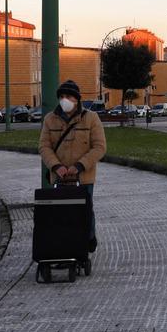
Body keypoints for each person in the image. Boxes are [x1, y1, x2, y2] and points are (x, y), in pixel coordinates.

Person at [38, 80, 106, 250]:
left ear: (76, 98)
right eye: (61, 96)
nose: (64, 100)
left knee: (85, 210)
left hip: (83, 177)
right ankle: (63, 243)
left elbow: (99, 147)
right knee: (60, 212)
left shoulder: (91, 118)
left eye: (68, 96)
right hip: (59, 176)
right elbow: (44, 146)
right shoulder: (50, 119)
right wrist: (55, 166)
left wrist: (80, 166)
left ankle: (88, 240)